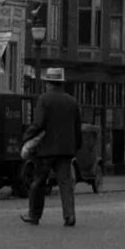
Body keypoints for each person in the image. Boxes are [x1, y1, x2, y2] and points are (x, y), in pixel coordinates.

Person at [20, 72, 82, 227]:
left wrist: (26, 137)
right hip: (66, 150)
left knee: (39, 181)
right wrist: (76, 146)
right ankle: (69, 216)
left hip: (46, 149)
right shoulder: (72, 101)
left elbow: (39, 124)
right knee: (65, 183)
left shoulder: (44, 99)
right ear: (61, 83)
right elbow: (77, 128)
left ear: (49, 83)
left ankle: (34, 215)